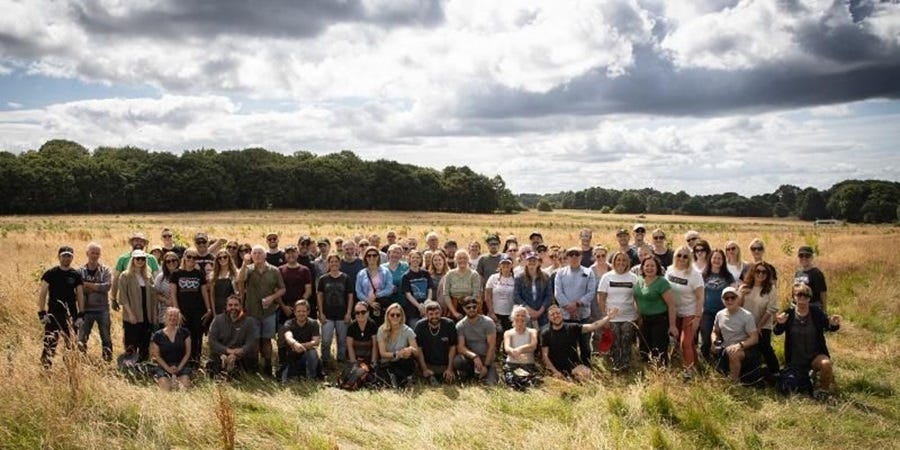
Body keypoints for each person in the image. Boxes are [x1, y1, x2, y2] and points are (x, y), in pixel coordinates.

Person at [774, 283, 841, 400]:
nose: (802, 298)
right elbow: (777, 332)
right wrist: (780, 324)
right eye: (799, 295)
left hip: (815, 356)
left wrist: (834, 325)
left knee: (826, 364)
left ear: (810, 298)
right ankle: (810, 378)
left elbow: (829, 327)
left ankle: (822, 391)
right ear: (794, 297)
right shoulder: (789, 313)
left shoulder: (816, 312)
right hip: (796, 359)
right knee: (792, 388)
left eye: (806, 295)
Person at [238, 245, 286, 377]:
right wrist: (244, 264)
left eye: (260, 253)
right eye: (254, 253)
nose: (257, 255)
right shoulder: (248, 270)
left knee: (266, 340)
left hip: (268, 312)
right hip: (251, 311)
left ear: (265, 255)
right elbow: (240, 280)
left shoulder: (274, 270)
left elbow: (282, 289)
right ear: (251, 256)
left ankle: (268, 366)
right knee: (253, 341)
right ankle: (254, 367)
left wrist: (272, 298)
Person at [37, 246, 85, 368]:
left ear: (72, 257)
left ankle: (70, 369)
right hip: (53, 314)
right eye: (64, 255)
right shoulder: (50, 273)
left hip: (71, 315)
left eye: (69, 255)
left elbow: (80, 295)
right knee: (49, 343)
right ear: (59, 257)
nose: (66, 258)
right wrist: (42, 313)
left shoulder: (76, 275)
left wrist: (81, 315)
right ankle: (46, 369)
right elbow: (42, 294)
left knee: (71, 344)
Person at [542, 305, 619, 380]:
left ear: (562, 314)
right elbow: (545, 356)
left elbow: (592, 326)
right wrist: (555, 372)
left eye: (558, 313)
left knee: (587, 374)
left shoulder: (572, 327)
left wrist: (608, 317)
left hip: (574, 367)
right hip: (556, 370)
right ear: (549, 318)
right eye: (552, 314)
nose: (556, 316)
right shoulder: (545, 333)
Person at [554, 247, 598, 366]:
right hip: (566, 317)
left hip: (583, 316)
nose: (574, 257)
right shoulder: (560, 273)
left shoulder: (588, 272)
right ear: (567, 257)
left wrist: (577, 304)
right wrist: (569, 307)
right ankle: (569, 369)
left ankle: (587, 369)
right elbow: (558, 293)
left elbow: (591, 293)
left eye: (577, 254)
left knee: (585, 346)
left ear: (581, 257)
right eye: (571, 254)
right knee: (568, 346)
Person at [597, 251, 640, 372]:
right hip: (612, 317)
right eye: (618, 260)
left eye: (624, 260)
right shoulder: (607, 277)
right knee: (614, 341)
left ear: (628, 262)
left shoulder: (633, 278)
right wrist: (605, 317)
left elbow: (637, 298)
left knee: (626, 340)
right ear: (614, 262)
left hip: (629, 316)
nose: (621, 262)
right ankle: (615, 365)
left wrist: (639, 315)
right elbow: (601, 298)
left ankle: (626, 365)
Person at [665, 246, 704, 377]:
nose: (681, 258)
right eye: (679, 255)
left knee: (685, 342)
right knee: (687, 343)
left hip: (690, 312)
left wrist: (697, 318)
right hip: (674, 311)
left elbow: (700, 297)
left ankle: (689, 371)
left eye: (685, 256)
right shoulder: (670, 270)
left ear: (690, 258)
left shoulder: (695, 274)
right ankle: (695, 365)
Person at [169, 247, 212, 364]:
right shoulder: (177, 274)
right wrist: (177, 311)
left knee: (197, 337)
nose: (191, 260)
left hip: (198, 311)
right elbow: (173, 294)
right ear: (184, 257)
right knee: (182, 337)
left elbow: (204, 292)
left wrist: (208, 309)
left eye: (194, 258)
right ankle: (183, 362)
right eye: (189, 257)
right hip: (182, 311)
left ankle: (195, 362)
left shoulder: (199, 274)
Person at [739, 262, 780, 382]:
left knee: (765, 347)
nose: (760, 274)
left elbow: (771, 309)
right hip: (745, 325)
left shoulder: (770, 289)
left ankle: (775, 372)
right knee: (749, 350)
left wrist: (759, 327)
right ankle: (750, 374)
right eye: (758, 271)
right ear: (753, 272)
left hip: (763, 325)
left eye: (764, 272)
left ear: (768, 274)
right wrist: (741, 294)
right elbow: (738, 306)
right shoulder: (745, 287)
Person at [634, 256, 677, 365]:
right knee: (644, 348)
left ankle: (661, 373)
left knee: (658, 349)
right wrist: (639, 317)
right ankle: (648, 373)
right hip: (644, 320)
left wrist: (672, 326)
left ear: (657, 268)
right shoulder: (639, 280)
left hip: (659, 320)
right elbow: (637, 299)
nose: (649, 268)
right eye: (647, 265)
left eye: (652, 265)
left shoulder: (662, 283)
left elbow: (671, 305)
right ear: (642, 268)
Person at [711, 287, 759, 383]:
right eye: (726, 298)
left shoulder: (747, 315)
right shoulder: (719, 315)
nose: (730, 300)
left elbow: (754, 338)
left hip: (745, 348)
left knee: (733, 353)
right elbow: (715, 332)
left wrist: (739, 345)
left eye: (732, 297)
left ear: (738, 299)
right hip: (726, 347)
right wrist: (714, 342)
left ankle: (733, 381)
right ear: (722, 300)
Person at [117, 249, 158, 362]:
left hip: (147, 316)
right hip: (133, 316)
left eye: (143, 259)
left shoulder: (148, 276)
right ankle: (130, 369)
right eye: (138, 258)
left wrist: (154, 315)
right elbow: (123, 297)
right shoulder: (125, 276)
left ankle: (143, 367)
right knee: (131, 345)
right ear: (133, 260)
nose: (140, 261)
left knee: (145, 344)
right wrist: (130, 314)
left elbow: (153, 297)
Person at [76, 242, 113, 361]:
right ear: (87, 253)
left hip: (103, 309)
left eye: (97, 253)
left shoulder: (105, 270)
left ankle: (107, 361)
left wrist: (87, 285)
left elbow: (106, 287)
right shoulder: (79, 271)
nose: (95, 255)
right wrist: (97, 287)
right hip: (85, 310)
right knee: (82, 338)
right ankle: (81, 361)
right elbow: (78, 290)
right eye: (92, 253)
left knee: (106, 337)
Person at [207, 295, 259, 377]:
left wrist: (236, 354)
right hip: (222, 354)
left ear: (241, 306)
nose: (233, 308)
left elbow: (251, 342)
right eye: (230, 305)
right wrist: (227, 351)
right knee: (214, 363)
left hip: (241, 356)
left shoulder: (249, 322)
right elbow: (212, 341)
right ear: (226, 307)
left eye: (236, 305)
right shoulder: (217, 320)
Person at [317, 253, 354, 367]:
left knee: (342, 341)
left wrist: (348, 313)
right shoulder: (323, 279)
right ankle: (326, 361)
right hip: (327, 315)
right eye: (331, 261)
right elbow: (319, 296)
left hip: (342, 315)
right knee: (326, 341)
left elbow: (350, 296)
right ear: (328, 264)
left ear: (339, 263)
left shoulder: (346, 278)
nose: (334, 264)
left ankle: (341, 361)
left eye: (336, 261)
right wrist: (321, 313)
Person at [700, 249, 737, 362]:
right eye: (714, 258)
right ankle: (705, 360)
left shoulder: (728, 276)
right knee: (706, 338)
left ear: (723, 261)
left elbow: (734, 292)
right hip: (707, 312)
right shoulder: (704, 275)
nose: (716, 260)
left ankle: (719, 361)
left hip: (723, 313)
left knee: (720, 338)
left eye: (719, 258)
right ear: (710, 259)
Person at [453, 297, 498, 385]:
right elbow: (460, 347)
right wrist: (474, 357)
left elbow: (492, 346)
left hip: (486, 359)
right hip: (470, 360)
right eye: (468, 307)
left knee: (491, 384)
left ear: (478, 307)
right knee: (457, 360)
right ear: (463, 308)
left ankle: (485, 374)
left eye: (474, 307)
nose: (472, 309)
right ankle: (469, 375)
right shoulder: (460, 325)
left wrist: (486, 366)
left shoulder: (488, 322)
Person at [111, 232, 159, 309]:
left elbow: (156, 280)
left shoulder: (151, 259)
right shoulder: (123, 259)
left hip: (148, 298)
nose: (139, 243)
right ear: (132, 242)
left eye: (141, 241)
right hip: (130, 299)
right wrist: (113, 298)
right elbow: (116, 279)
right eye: (136, 240)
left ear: (144, 244)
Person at [377, 303, 420, 388]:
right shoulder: (382, 330)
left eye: (398, 315)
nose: (395, 317)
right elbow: (382, 353)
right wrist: (396, 354)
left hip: (402, 361)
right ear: (388, 316)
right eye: (392, 315)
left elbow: (417, 352)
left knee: (408, 362)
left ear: (401, 317)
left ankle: (404, 380)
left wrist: (410, 349)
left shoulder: (408, 330)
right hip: (387, 362)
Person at [414, 301, 457, 384]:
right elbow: (419, 349)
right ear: (426, 315)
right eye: (431, 314)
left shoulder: (449, 324)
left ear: (441, 313)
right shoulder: (420, 326)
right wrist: (424, 369)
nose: (434, 316)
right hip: (428, 364)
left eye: (437, 313)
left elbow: (453, 347)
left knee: (450, 381)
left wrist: (449, 369)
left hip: (445, 364)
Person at [150, 307, 192, 390]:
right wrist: (168, 369)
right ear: (165, 317)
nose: (173, 318)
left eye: (175, 316)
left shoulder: (185, 333)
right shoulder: (157, 335)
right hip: (164, 366)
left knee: (184, 388)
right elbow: (157, 356)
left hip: (181, 365)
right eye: (170, 315)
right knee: (165, 388)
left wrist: (179, 368)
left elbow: (188, 353)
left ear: (178, 318)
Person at [280, 300, 321, 381]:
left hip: (308, 355)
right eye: (298, 311)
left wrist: (301, 346)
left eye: (304, 311)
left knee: (313, 353)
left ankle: (311, 378)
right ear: (294, 312)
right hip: (292, 355)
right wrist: (295, 344)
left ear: (308, 312)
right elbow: (288, 337)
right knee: (285, 380)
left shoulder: (314, 323)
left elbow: (316, 341)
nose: (301, 313)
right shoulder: (289, 323)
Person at [356, 246, 394, 326]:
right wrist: (369, 301)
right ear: (365, 257)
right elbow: (358, 291)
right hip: (366, 306)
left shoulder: (385, 271)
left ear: (378, 257)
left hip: (381, 305)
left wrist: (377, 295)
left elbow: (389, 288)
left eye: (374, 255)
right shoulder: (361, 273)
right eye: (369, 255)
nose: (371, 257)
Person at [502, 306, 539, 389]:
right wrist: (516, 354)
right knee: (513, 383)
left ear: (526, 318)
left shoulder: (532, 332)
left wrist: (519, 349)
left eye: (523, 315)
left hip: (528, 364)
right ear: (513, 317)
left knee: (530, 384)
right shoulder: (508, 333)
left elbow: (533, 346)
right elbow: (507, 348)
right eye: (518, 315)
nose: (520, 317)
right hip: (512, 365)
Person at [513, 251, 552, 328]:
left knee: (543, 337)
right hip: (525, 314)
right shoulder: (519, 278)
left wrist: (540, 311)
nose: (532, 262)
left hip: (543, 314)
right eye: (529, 260)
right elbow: (516, 296)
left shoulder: (545, 277)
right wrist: (529, 310)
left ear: (538, 263)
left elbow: (549, 296)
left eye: (534, 260)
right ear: (526, 262)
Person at [440, 250, 482, 320]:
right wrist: (454, 312)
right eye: (459, 258)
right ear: (455, 260)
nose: (462, 260)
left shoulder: (474, 274)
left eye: (464, 258)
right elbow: (446, 294)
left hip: (471, 307)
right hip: (453, 307)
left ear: (468, 259)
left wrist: (469, 310)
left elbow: (476, 294)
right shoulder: (449, 274)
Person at [279, 245, 313, 325]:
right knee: (283, 334)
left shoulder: (305, 270)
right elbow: (277, 290)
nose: (291, 255)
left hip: (300, 311)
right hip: (285, 309)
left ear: (297, 254)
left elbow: (308, 291)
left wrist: (299, 307)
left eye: (293, 252)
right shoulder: (279, 270)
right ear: (285, 255)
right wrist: (283, 307)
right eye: (288, 253)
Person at [401, 250, 434, 327]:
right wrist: (419, 306)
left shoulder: (426, 273)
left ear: (421, 259)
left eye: (418, 258)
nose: (415, 259)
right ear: (409, 259)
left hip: (427, 307)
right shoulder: (406, 276)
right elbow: (408, 294)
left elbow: (430, 289)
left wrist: (427, 302)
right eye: (413, 257)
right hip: (413, 310)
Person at [485, 256, 516, 332]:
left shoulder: (515, 279)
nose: (506, 266)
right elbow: (487, 296)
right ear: (499, 265)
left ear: (511, 265)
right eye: (503, 264)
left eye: (508, 264)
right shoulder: (493, 278)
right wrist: (491, 312)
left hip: (510, 314)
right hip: (495, 313)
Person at [793, 246, 828, 311]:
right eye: (801, 256)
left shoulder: (816, 273)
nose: (804, 258)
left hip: (812, 306)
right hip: (798, 306)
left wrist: (824, 309)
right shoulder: (798, 273)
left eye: (807, 256)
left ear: (812, 257)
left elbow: (823, 292)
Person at [346, 302, 379, 366]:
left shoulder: (372, 324)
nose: (360, 314)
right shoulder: (351, 326)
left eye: (363, 312)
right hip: (356, 358)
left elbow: (375, 346)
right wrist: (354, 363)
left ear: (368, 312)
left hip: (369, 358)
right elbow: (350, 346)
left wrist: (373, 363)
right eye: (357, 312)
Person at [382, 244, 410, 318]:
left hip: (402, 301)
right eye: (393, 252)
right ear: (388, 254)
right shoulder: (382, 268)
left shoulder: (406, 266)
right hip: (386, 302)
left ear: (401, 255)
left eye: (398, 253)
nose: (395, 255)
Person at [153, 252, 179, 330]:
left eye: (174, 260)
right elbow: (155, 293)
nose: (171, 263)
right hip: (165, 313)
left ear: (178, 261)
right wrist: (165, 300)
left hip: (181, 312)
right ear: (165, 263)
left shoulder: (183, 275)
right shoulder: (160, 277)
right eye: (168, 261)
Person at [209, 249, 238, 315]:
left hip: (232, 307)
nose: (222, 259)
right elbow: (212, 296)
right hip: (218, 307)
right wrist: (214, 313)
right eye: (220, 258)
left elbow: (239, 293)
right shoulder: (213, 275)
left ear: (229, 258)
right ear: (217, 260)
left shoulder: (235, 273)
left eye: (225, 257)